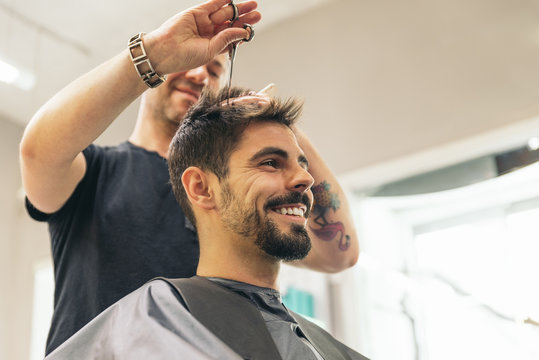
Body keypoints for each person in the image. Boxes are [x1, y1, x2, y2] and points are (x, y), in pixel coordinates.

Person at [19, 0, 358, 355]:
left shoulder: (238, 191)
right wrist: (153, 54)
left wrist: (273, 125)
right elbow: (37, 151)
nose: (199, 76)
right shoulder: (98, 170)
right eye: (186, 65)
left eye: (213, 70)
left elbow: (339, 254)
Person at [44, 87, 369, 360]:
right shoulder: (153, 314)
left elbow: (341, 253)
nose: (306, 178)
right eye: (271, 163)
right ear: (200, 188)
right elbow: (37, 150)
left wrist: (272, 115)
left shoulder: (319, 342)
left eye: (302, 164)